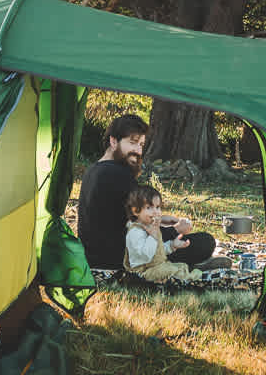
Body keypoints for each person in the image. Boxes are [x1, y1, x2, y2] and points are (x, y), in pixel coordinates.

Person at [76, 113, 220, 269]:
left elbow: (116, 219)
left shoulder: (93, 170)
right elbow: (139, 236)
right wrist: (175, 230)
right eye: (133, 143)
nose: (138, 151)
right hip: (121, 258)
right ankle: (184, 267)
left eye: (141, 145)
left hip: (92, 257)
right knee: (205, 242)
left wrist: (161, 219)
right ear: (113, 141)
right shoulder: (118, 173)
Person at [124, 187, 195, 283]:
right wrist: (152, 236)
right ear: (136, 211)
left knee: (180, 266)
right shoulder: (135, 231)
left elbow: (157, 252)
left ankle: (184, 278)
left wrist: (172, 245)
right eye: (149, 208)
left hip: (155, 267)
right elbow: (146, 256)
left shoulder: (151, 227)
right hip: (143, 272)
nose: (155, 212)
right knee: (170, 271)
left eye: (157, 207)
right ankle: (187, 280)